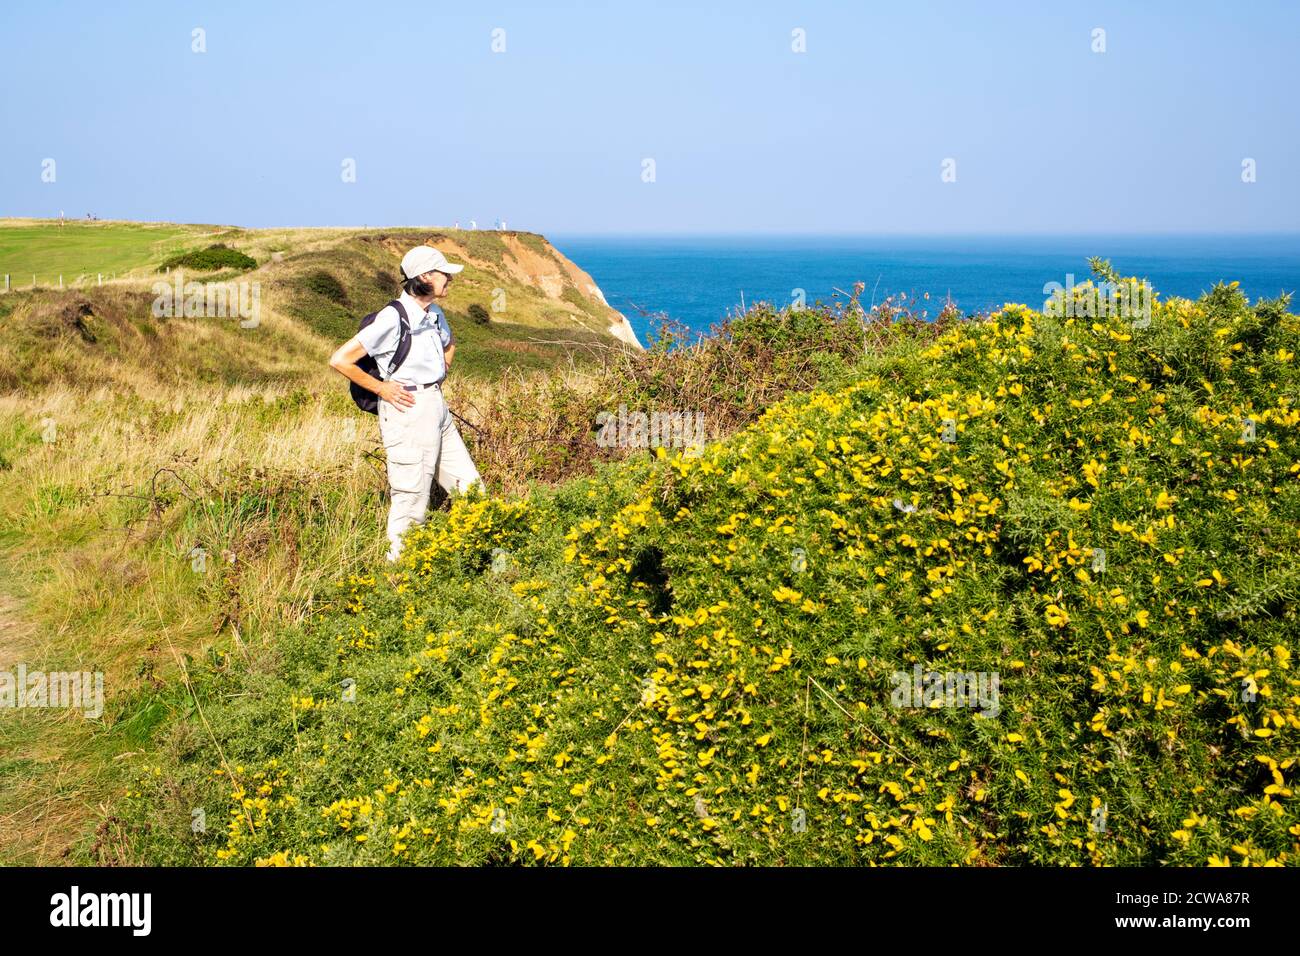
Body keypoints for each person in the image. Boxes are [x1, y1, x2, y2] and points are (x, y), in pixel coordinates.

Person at [329, 245, 482, 562]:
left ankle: (473, 561)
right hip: (407, 411)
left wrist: (438, 376)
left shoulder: (435, 313)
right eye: (444, 274)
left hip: (436, 407)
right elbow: (340, 359)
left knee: (471, 490)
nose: (449, 280)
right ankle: (400, 581)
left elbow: (449, 345)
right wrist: (382, 389)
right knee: (411, 501)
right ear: (425, 276)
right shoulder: (392, 318)